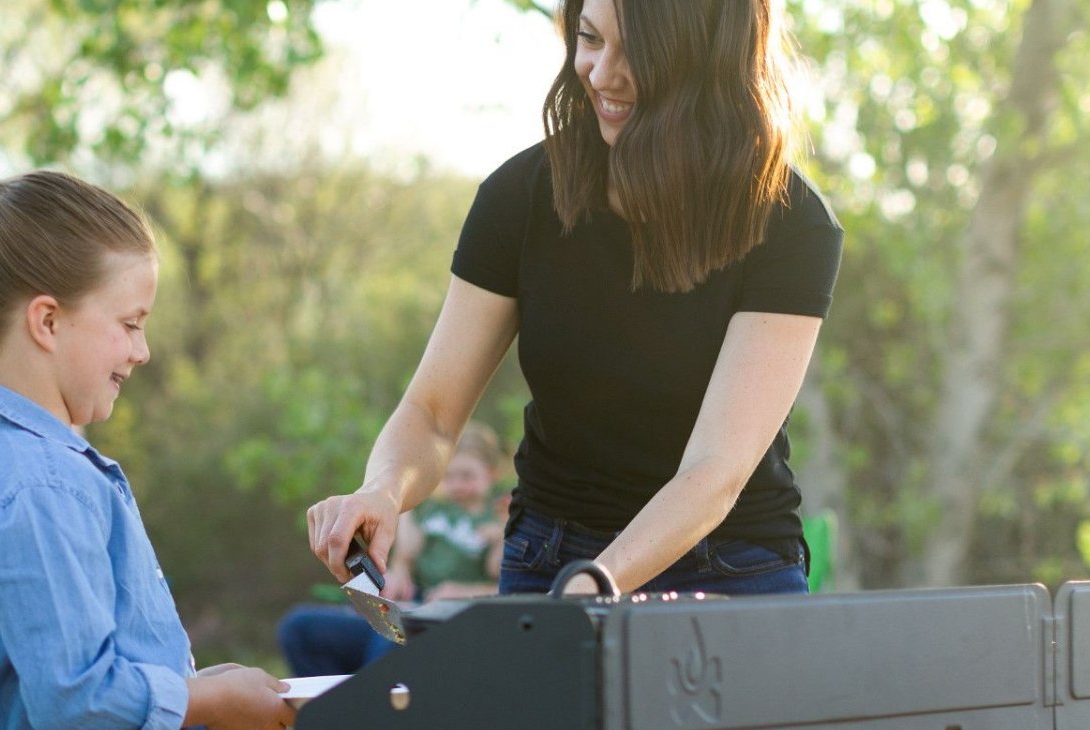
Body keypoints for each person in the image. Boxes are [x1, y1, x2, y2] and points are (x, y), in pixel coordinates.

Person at [306, 0, 843, 598]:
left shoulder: (791, 224)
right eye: (590, 39)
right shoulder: (519, 197)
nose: (602, 73)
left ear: (708, 60)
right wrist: (381, 490)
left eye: (636, 52)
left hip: (730, 567)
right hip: (548, 556)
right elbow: (431, 414)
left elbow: (714, 471)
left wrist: (595, 585)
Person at [0, 171, 293, 730]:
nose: (143, 350)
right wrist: (209, 700)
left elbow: (75, 673)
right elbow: (78, 699)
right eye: (131, 323)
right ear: (47, 322)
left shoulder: (16, 465)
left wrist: (201, 691)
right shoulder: (36, 485)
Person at [277, 423, 506, 677]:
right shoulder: (428, 509)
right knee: (299, 629)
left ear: (491, 473)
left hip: (451, 626)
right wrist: (398, 572)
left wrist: (466, 587)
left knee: (396, 636)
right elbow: (404, 559)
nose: (457, 485)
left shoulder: (502, 516)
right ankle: (334, 708)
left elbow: (507, 582)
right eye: (449, 477)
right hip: (410, 609)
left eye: (467, 476)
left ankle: (364, 708)